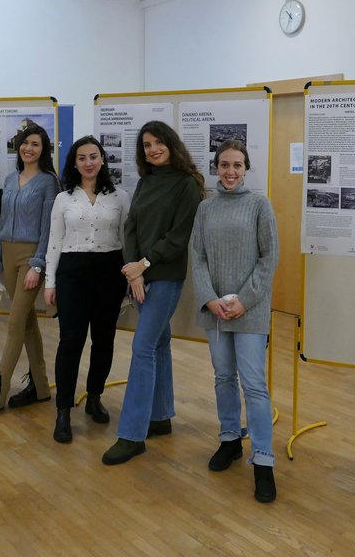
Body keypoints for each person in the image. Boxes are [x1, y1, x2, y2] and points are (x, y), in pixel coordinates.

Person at [101, 120, 204, 465]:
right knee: (158, 343)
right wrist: (132, 270)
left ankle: (132, 435)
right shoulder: (146, 182)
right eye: (146, 145)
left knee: (143, 347)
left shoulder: (187, 185)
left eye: (158, 142)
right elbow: (131, 227)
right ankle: (160, 416)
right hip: (139, 276)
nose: (153, 149)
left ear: (172, 145)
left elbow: (178, 237)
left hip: (165, 276)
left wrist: (144, 265)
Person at [190, 140, 279, 503]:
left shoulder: (259, 205)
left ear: (246, 168)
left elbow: (268, 258)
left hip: (250, 310)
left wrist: (244, 300)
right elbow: (197, 256)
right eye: (224, 165)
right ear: (216, 167)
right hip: (215, 310)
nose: (230, 171)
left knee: (254, 386)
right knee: (223, 378)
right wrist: (210, 298)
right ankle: (229, 440)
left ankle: (263, 460)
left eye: (237, 165)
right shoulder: (205, 208)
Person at [0, 124, 60, 418]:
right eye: (24, 143)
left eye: (35, 144)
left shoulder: (48, 182)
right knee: (27, 322)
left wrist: (38, 263)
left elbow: (49, 228)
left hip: (30, 256)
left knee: (14, 322)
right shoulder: (9, 180)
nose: (28, 148)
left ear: (43, 149)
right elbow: (2, 223)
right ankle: (41, 387)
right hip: (6, 254)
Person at [43, 136, 130, 443]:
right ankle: (63, 411)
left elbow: (126, 239)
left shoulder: (120, 196)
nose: (89, 162)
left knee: (104, 339)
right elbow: (55, 241)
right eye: (82, 158)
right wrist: (50, 281)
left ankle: (94, 396)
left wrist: (131, 278)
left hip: (109, 272)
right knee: (70, 341)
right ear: (75, 163)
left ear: (103, 159)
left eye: (94, 156)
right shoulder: (63, 198)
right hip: (72, 273)